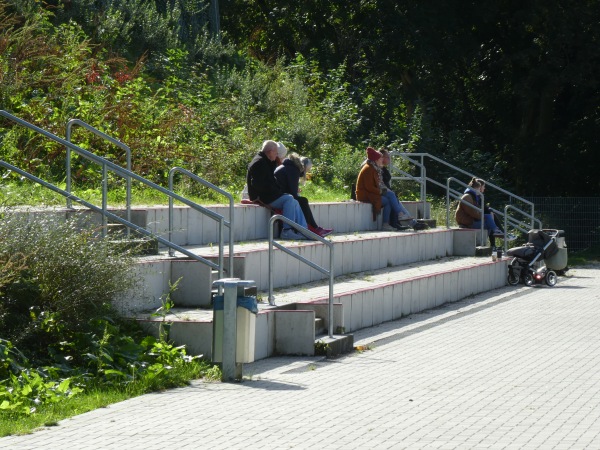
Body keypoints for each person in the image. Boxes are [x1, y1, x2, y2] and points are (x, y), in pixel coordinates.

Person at [246, 140, 309, 240]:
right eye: (276, 152)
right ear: (270, 151)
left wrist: (277, 191)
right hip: (261, 197)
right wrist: (276, 192)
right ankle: (287, 231)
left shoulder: (266, 161)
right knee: (288, 199)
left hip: (268, 195)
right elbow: (258, 185)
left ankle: (304, 230)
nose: (277, 155)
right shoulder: (259, 163)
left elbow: (270, 181)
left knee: (293, 200)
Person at [356, 147, 420, 232]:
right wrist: (381, 191)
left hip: (371, 193)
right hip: (365, 195)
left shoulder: (374, 168)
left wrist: (385, 190)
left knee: (389, 198)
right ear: (376, 160)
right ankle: (400, 214)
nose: (381, 160)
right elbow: (369, 187)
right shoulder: (368, 169)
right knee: (390, 195)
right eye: (380, 158)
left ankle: (386, 224)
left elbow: (380, 184)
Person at [274, 153, 333, 237]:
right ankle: (313, 228)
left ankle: (312, 227)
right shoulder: (293, 169)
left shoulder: (288, 166)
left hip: (278, 193)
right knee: (303, 201)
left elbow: (288, 186)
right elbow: (293, 192)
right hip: (279, 196)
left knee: (301, 200)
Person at [455, 177, 514, 247]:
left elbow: (481, 209)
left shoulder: (473, 196)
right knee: (490, 220)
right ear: (477, 188)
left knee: (490, 220)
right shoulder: (467, 197)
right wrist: (484, 217)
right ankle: (497, 234)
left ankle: (494, 236)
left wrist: (486, 215)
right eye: (480, 188)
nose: (481, 191)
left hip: (471, 220)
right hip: (466, 221)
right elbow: (473, 213)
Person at [379, 149, 427, 230]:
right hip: (381, 192)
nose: (389, 159)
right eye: (387, 157)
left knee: (396, 201)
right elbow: (380, 184)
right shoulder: (378, 169)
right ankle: (410, 222)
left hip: (386, 191)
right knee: (393, 199)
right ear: (382, 157)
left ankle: (411, 222)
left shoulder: (383, 168)